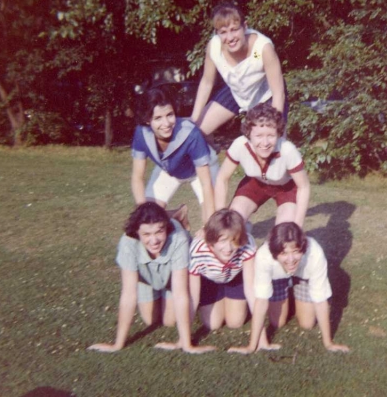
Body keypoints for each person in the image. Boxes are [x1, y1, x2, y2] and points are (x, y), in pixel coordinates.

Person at [88, 202, 215, 353]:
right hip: (147, 279)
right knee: (150, 320)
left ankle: (168, 297)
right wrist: (117, 344)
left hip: (171, 279)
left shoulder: (178, 238)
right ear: (137, 233)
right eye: (146, 234)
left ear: (166, 228)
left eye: (159, 232)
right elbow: (128, 294)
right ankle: (157, 296)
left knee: (169, 321)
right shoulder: (128, 243)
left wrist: (187, 345)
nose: (154, 240)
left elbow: (180, 293)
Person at [228, 222, 349, 354]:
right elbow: (261, 301)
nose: (291, 259)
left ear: (303, 248)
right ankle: (288, 289)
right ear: (274, 253)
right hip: (278, 277)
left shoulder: (315, 253)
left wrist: (328, 343)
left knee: (307, 323)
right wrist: (251, 346)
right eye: (284, 253)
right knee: (277, 322)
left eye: (296, 251)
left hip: (303, 276)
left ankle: (295, 288)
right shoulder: (264, 256)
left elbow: (320, 301)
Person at [191, 1, 288, 137]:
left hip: (266, 96)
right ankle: (208, 157)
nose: (230, 38)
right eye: (223, 32)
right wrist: (193, 119)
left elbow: (278, 94)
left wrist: (271, 130)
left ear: (245, 27)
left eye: (234, 29)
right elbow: (207, 83)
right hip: (236, 92)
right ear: (216, 33)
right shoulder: (214, 47)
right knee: (193, 134)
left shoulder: (260, 49)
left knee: (269, 145)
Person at [188, 209, 278, 349]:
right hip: (210, 281)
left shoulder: (247, 244)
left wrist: (262, 339)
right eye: (222, 240)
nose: (228, 248)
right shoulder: (197, 250)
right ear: (211, 238)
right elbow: (193, 296)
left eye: (234, 240)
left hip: (235, 278)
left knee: (235, 322)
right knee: (213, 324)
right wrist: (185, 340)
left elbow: (251, 290)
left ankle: (232, 300)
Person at [131, 87, 217, 225]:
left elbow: (206, 183)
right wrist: (143, 211)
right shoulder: (141, 133)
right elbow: (137, 177)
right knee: (147, 219)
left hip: (200, 172)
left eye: (170, 115)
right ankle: (177, 216)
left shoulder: (191, 133)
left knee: (212, 222)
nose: (166, 124)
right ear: (147, 120)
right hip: (169, 170)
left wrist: (210, 223)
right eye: (158, 118)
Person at [214, 104, 310, 226]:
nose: (265, 143)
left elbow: (304, 186)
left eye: (270, 136)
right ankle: (244, 236)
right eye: (258, 136)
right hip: (255, 183)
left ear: (279, 134)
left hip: (287, 188)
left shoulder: (287, 150)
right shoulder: (240, 145)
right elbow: (222, 178)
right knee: (233, 222)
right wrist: (220, 217)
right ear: (248, 134)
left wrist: (298, 225)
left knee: (285, 230)